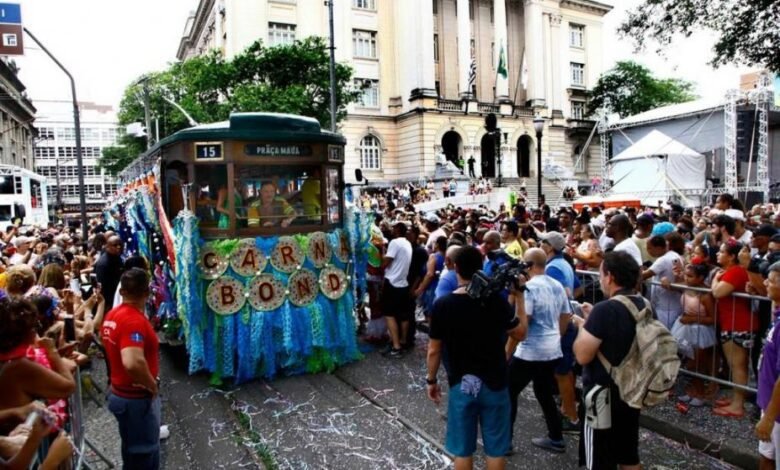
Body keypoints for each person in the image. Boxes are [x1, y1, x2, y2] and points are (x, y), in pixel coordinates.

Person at [426, 245, 525, 470]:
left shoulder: (443, 305)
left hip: (461, 383)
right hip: (495, 382)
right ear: (481, 268)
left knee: (462, 450)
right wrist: (520, 298)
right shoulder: (496, 300)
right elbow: (520, 334)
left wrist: (431, 380)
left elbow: (434, 349)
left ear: (455, 267)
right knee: (495, 449)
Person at [573, 251, 644, 470]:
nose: (600, 279)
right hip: (632, 390)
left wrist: (583, 327)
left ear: (610, 276)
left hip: (602, 395)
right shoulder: (643, 305)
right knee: (628, 455)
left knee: (600, 460)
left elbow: (582, 355)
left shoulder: (605, 309)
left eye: (601, 273)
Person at [506, 248, 571, 454]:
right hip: (552, 349)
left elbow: (522, 325)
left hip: (530, 351)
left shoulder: (528, 288)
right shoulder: (557, 285)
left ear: (528, 265)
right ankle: (556, 437)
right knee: (543, 392)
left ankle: (504, 441)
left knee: (509, 391)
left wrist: (506, 352)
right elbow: (566, 315)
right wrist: (556, 337)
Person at [102, 268, 161, 470]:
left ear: (122, 292)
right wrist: (151, 385)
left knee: (132, 450)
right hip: (135, 398)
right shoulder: (132, 321)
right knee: (144, 453)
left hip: (121, 394)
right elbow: (132, 361)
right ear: (146, 293)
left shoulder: (113, 315)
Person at [711, 240, 755, 418]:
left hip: (738, 324)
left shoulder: (736, 272)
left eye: (721, 251)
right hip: (734, 322)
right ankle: (736, 399)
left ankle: (738, 405)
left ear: (731, 256)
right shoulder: (733, 271)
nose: (717, 254)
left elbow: (717, 292)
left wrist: (715, 279)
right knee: (735, 365)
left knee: (737, 365)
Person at [756, 261, 780, 470]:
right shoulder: (778, 314)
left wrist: (770, 417)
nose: (765, 283)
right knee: (766, 457)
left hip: (777, 415)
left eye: (771, 281)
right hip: (769, 405)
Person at [382, 221, 413, 357]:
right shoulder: (407, 243)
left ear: (398, 229)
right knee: (403, 315)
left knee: (389, 315)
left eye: (394, 227)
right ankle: (403, 341)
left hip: (392, 282)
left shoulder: (395, 243)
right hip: (403, 283)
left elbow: (385, 263)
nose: (392, 229)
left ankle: (396, 347)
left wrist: (380, 251)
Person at [95, 235, 124, 311]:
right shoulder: (104, 264)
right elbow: (102, 286)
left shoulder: (116, 257)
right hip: (110, 301)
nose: (118, 247)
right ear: (107, 246)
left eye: (120, 245)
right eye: (115, 245)